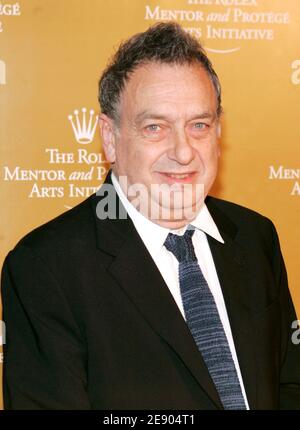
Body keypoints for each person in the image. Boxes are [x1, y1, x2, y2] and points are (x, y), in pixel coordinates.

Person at [1, 22, 300, 410]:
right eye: (155, 127)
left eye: (199, 125)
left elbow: (289, 385)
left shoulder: (255, 237)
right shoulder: (45, 268)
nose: (183, 151)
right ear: (110, 137)